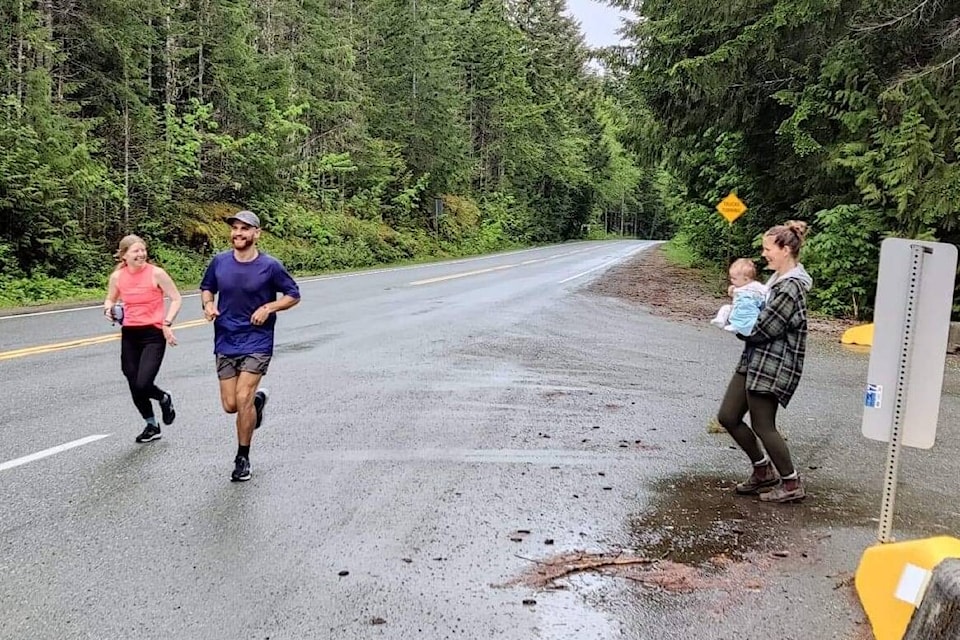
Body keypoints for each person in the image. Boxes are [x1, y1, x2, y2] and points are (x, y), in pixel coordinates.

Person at [199, 210, 301, 482]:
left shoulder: (270, 266)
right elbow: (207, 288)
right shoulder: (219, 262)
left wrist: (269, 307)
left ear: (257, 233)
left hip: (257, 339)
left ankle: (242, 457)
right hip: (225, 338)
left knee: (242, 398)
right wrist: (208, 305)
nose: (238, 233)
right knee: (231, 405)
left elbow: (293, 294)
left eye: (245, 229)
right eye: (235, 228)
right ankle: (257, 402)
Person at [716, 220, 813, 503]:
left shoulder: (790, 288)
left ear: (785, 250)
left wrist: (734, 323)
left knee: (763, 424)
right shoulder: (774, 283)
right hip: (754, 359)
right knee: (728, 416)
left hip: (774, 364)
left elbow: (763, 329)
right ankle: (762, 471)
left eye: (768, 248)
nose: (764, 254)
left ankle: (791, 483)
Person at [103, 235, 182, 443]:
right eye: (136, 251)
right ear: (124, 255)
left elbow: (176, 298)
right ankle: (151, 425)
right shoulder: (117, 277)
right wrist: (108, 308)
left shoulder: (157, 274)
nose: (141, 254)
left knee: (143, 383)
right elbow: (110, 298)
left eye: (143, 250)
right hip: (130, 334)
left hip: (153, 335)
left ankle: (164, 398)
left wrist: (167, 322)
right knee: (132, 382)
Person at [710, 258, 768, 334]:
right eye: (731, 278)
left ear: (746, 279)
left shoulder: (755, 286)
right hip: (737, 307)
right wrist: (731, 293)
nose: (732, 280)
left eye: (734, 278)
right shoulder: (737, 288)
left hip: (750, 310)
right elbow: (734, 297)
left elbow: (766, 290)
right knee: (726, 308)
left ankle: (738, 326)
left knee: (744, 310)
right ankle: (720, 320)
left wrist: (761, 297)